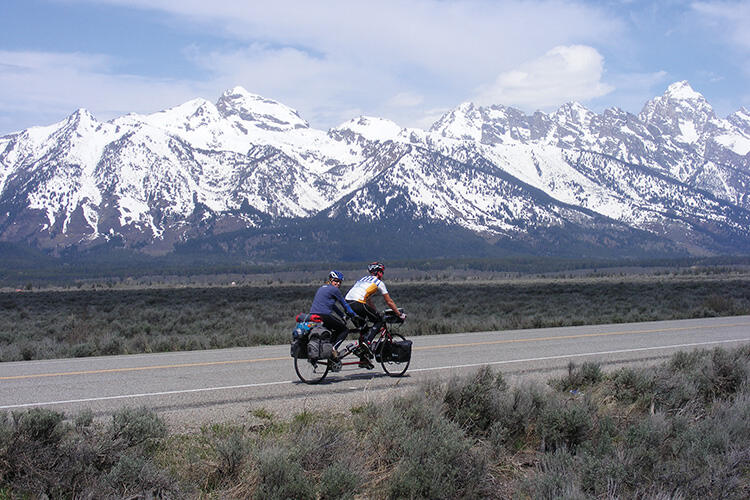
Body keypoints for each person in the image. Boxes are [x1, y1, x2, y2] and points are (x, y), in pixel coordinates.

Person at [345, 262, 406, 366]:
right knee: (379, 320)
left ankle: (363, 360)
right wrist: (399, 314)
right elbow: (389, 302)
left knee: (363, 330)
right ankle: (368, 342)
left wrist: (375, 312)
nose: (382, 274)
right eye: (382, 272)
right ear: (379, 273)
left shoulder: (363, 279)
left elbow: (369, 301)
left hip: (347, 303)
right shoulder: (378, 282)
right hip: (358, 303)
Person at [309, 270, 359, 358]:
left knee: (331, 330)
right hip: (324, 315)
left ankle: (325, 349)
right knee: (344, 330)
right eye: (336, 281)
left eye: (340, 281)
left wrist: (342, 316)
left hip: (313, 315)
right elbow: (344, 304)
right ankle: (333, 349)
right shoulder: (334, 290)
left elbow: (333, 306)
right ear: (331, 280)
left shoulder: (322, 288)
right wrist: (353, 315)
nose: (338, 283)